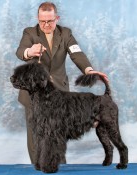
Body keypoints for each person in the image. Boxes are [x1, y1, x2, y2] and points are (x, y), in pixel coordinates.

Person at [15, 1, 108, 164]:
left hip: (58, 96)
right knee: (36, 135)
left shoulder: (65, 34)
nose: (45, 24)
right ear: (38, 18)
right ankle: (38, 167)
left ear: (56, 18)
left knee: (57, 135)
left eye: (49, 21)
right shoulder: (29, 33)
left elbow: (77, 54)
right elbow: (20, 51)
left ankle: (58, 168)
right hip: (34, 96)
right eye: (42, 21)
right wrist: (30, 51)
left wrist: (89, 70)